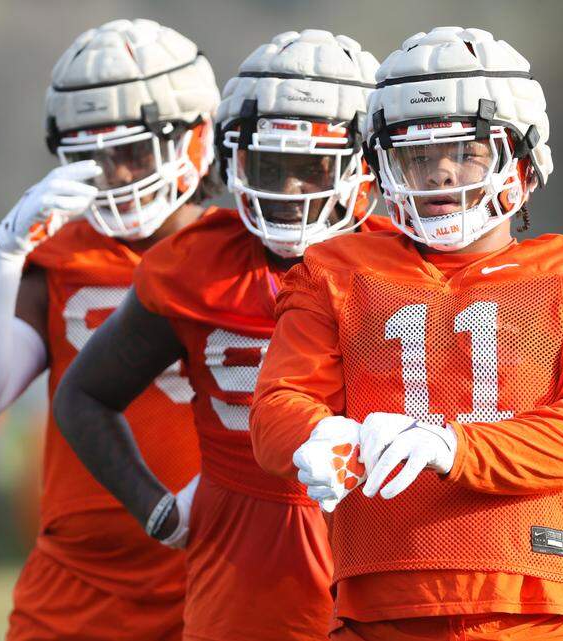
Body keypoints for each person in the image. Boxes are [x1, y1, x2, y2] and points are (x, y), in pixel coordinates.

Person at [249, 26, 563, 641]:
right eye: (417, 155)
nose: (440, 174)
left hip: (538, 605)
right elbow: (277, 408)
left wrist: (452, 448)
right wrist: (318, 434)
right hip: (378, 606)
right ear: (383, 165)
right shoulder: (334, 271)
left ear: (522, 159)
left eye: (465, 153)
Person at [51, 30, 382, 641]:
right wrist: (155, 510)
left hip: (380, 568)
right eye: (270, 166)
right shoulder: (197, 266)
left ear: (363, 164)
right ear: (232, 159)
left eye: (310, 169)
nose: (286, 192)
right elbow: (83, 396)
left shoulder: (403, 268)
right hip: (241, 583)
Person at [0, 19, 218, 640]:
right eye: (95, 154)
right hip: (81, 583)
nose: (115, 174)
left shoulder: (237, 253)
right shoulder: (58, 256)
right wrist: (4, 253)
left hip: (223, 570)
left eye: (134, 151)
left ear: (196, 140)